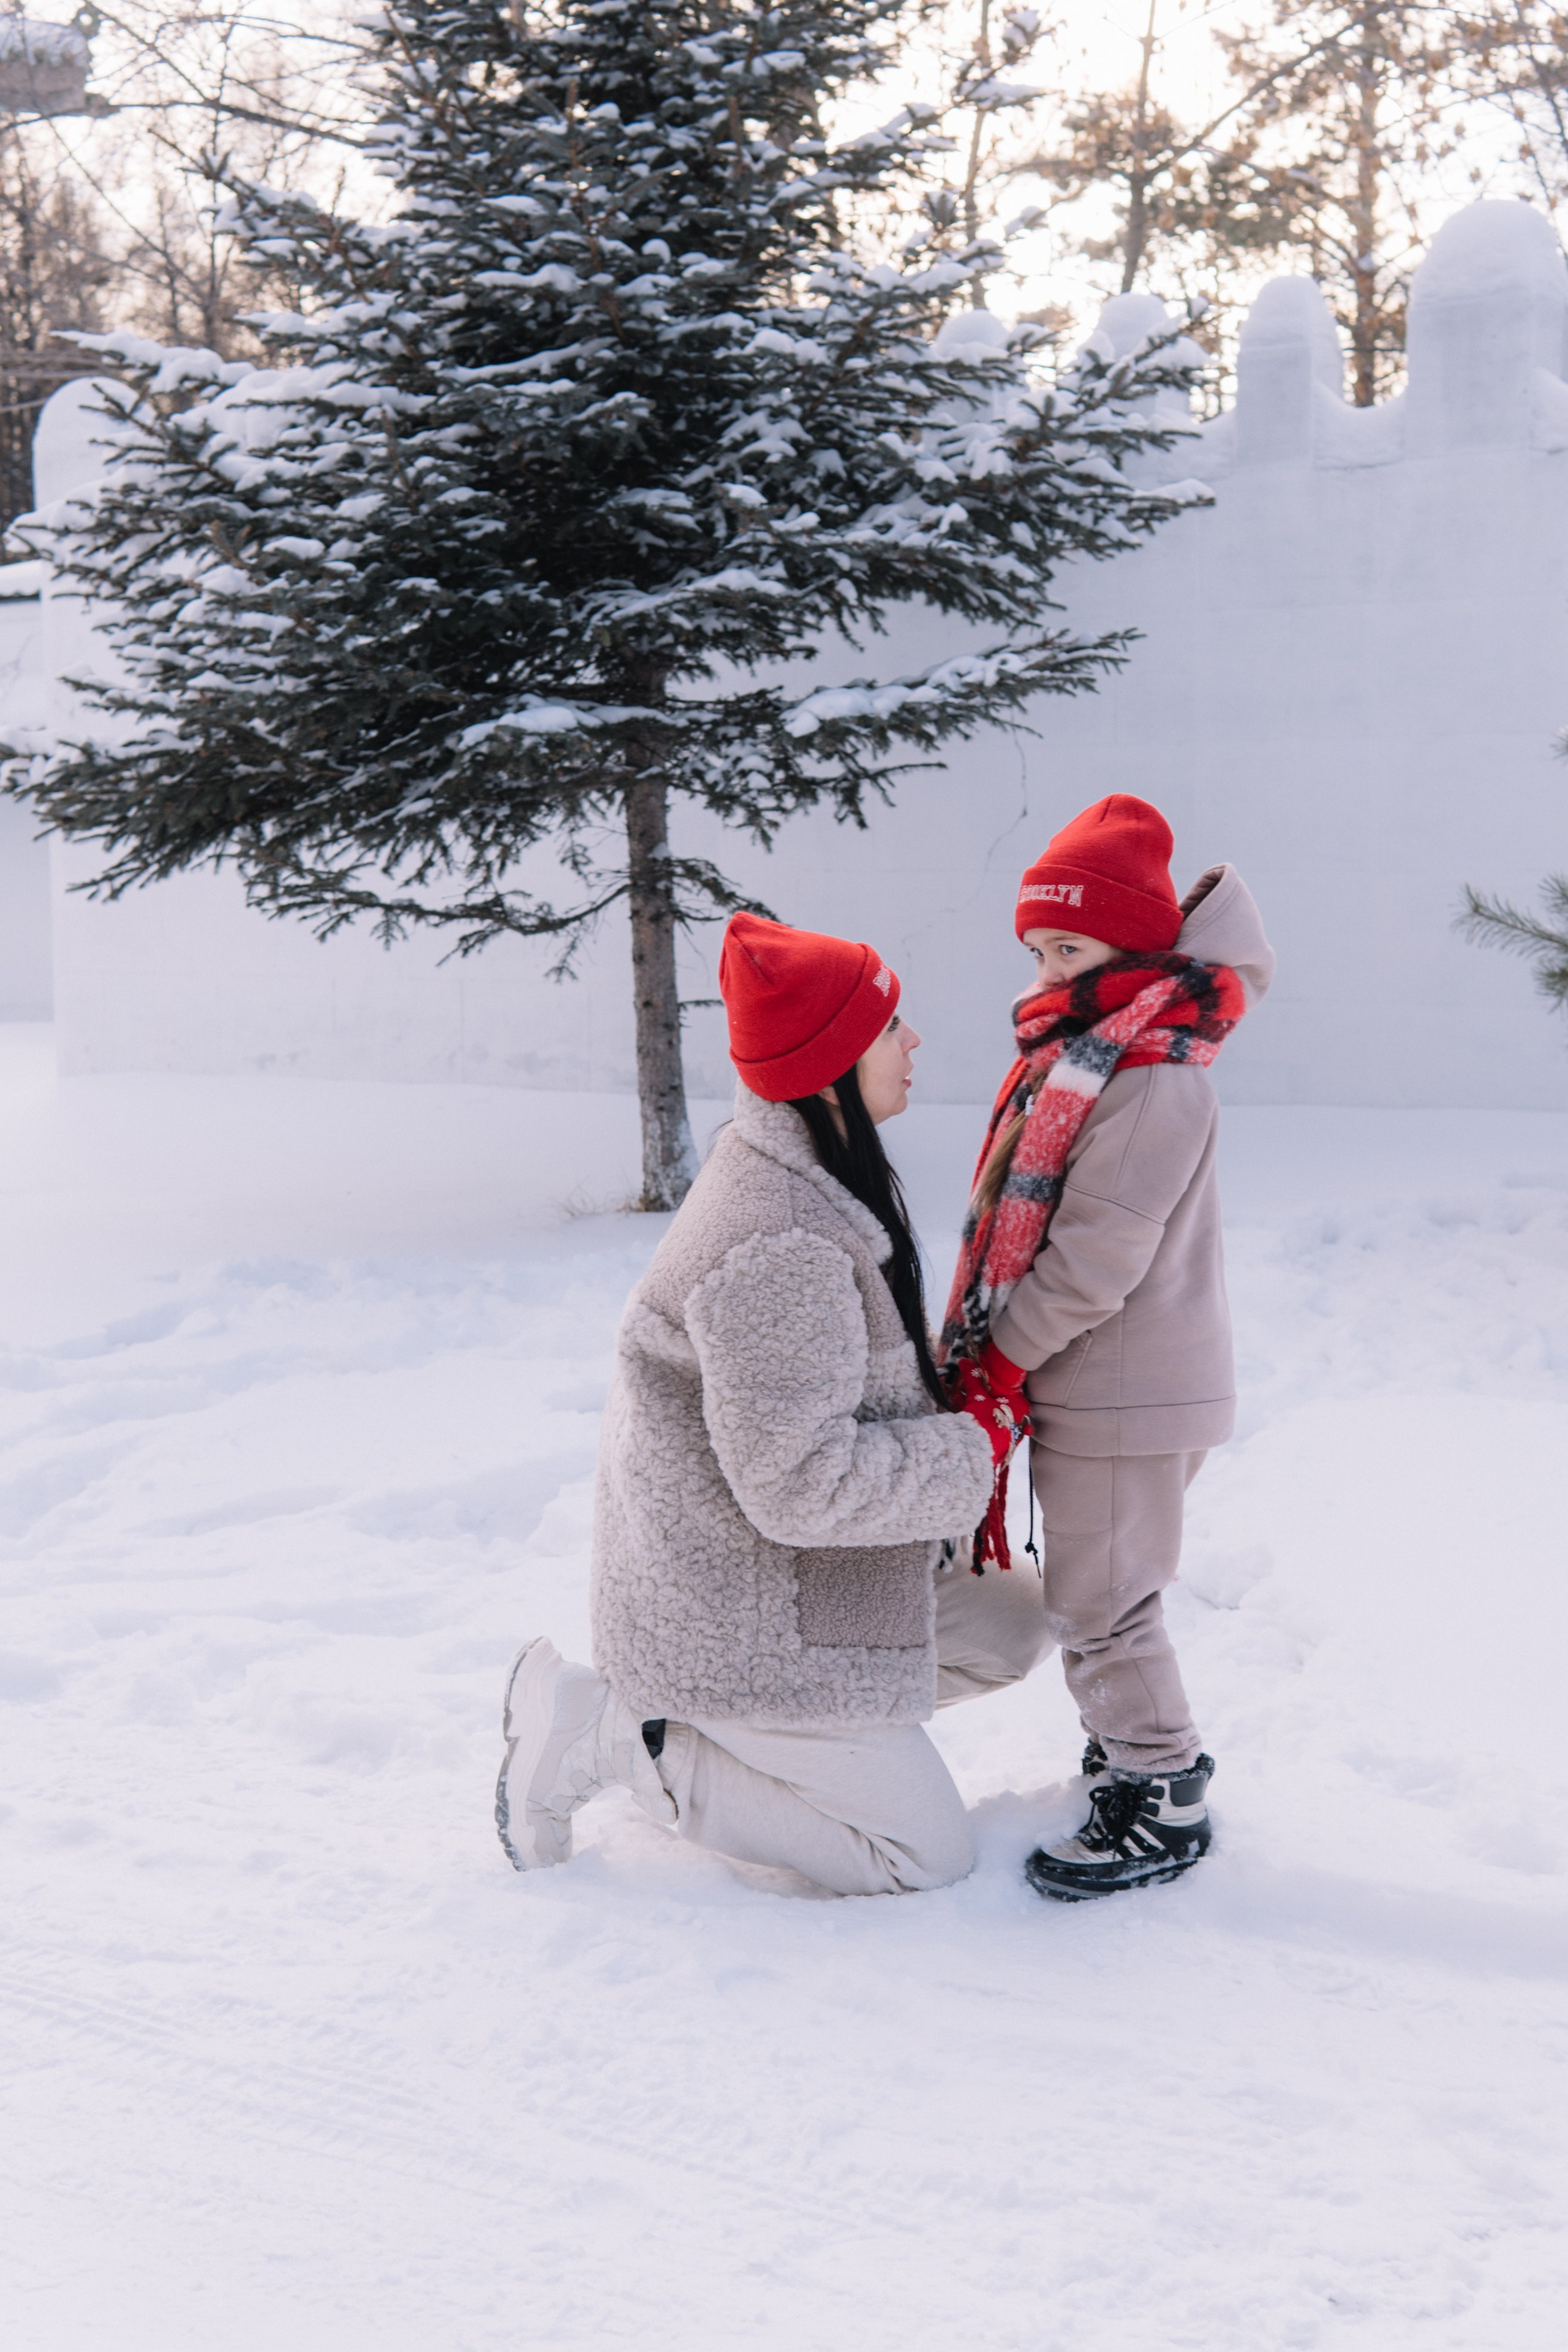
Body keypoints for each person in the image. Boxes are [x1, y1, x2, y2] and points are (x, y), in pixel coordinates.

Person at [494, 913, 1047, 1897]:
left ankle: (809, 1749)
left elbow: (825, 1382)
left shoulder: (803, 1184)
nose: (912, 1043)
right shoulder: (776, 1245)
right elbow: (800, 1487)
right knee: (923, 1857)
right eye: (888, 1029)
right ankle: (627, 1741)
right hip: (742, 1620)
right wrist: (971, 1452)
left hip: (774, 1581)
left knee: (1013, 1627)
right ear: (830, 1062)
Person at [941, 794, 1275, 1902]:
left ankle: (1161, 1788)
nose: (1045, 969)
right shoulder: (1096, 1051)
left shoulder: (1153, 1076)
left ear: (1134, 942)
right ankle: (1128, 1747)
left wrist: (1002, 1358)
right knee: (1103, 1589)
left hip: (1125, 1388)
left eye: (1068, 945)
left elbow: (1095, 1261)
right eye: (1038, 947)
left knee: (1104, 1602)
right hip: (1106, 1382)